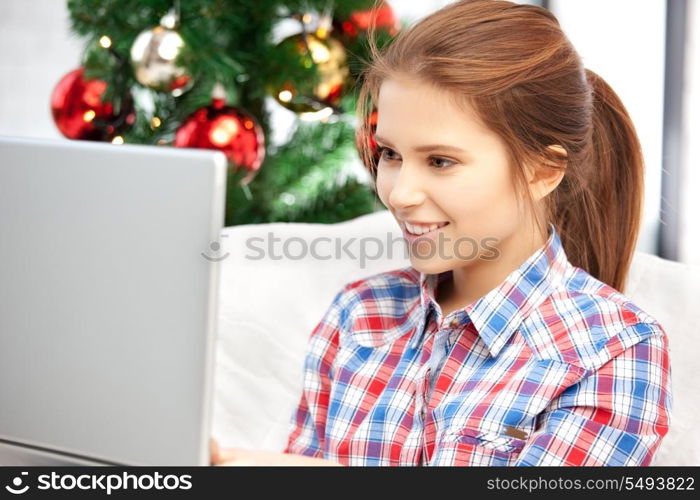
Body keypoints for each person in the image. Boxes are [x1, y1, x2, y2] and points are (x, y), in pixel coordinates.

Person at [211, 0, 672, 466]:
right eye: (390, 154)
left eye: (440, 161)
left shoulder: (614, 350)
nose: (399, 193)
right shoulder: (359, 315)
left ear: (542, 170)